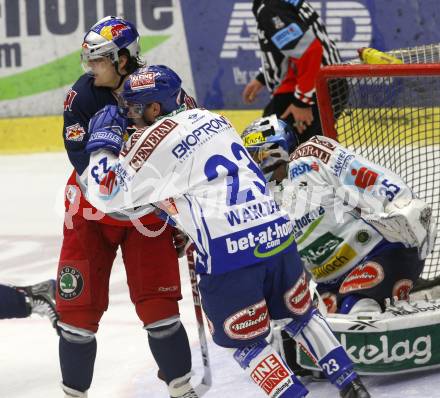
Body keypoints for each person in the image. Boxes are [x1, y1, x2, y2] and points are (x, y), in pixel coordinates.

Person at [83, 64, 370, 398]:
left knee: (246, 344)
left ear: (155, 108)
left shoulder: (150, 141)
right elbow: (204, 183)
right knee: (302, 318)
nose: (130, 117)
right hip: (277, 235)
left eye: (134, 108)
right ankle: (354, 387)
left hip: (228, 256)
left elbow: (105, 195)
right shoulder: (214, 119)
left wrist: (102, 146)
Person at [59, 16, 196, 398]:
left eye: (99, 60)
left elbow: (191, 155)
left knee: (160, 309)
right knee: (77, 313)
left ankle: (182, 389)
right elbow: (85, 168)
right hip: (91, 211)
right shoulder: (82, 97)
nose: (90, 69)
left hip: (147, 212)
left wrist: (185, 216)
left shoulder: (165, 89)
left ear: (123, 58)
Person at [241, 115, 436, 315]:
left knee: (358, 309)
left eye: (257, 156)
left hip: (381, 252)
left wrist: (404, 205)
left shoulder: (310, 159)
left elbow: (365, 176)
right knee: (317, 323)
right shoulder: (261, 198)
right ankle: (418, 297)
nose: (252, 165)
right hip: (331, 283)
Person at [242, 0, 342, 143]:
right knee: (313, 151)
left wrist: (302, 102)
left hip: (311, 90)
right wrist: (263, 76)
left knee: (266, 146)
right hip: (325, 84)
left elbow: (309, 52)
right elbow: (291, 47)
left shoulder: (270, 7)